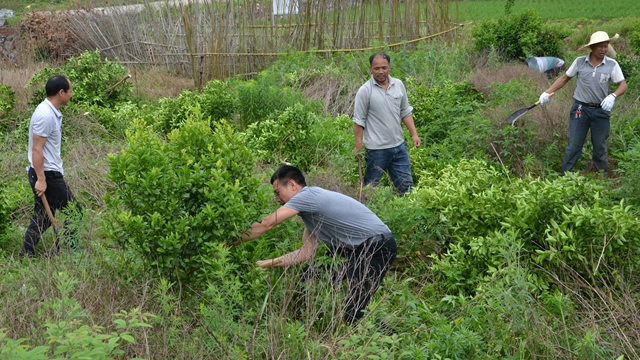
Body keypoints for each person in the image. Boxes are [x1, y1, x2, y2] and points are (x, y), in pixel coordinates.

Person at [235, 165, 397, 323]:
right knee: (308, 276)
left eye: (278, 192)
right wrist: (266, 264)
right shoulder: (312, 213)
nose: (277, 199)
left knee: (353, 313)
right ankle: (301, 321)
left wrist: (231, 242)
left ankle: (388, 338)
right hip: (355, 249)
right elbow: (305, 253)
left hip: (377, 247)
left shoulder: (307, 196)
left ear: (292, 185)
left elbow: (266, 224)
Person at [539, 31, 627, 177]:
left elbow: (623, 85)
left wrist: (613, 95)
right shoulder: (580, 62)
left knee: (599, 146)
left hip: (601, 111)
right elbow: (564, 78)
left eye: (606, 46)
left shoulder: (612, 64)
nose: (604, 50)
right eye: (600, 47)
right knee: (574, 145)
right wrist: (547, 92)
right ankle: (565, 177)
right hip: (580, 109)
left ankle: (602, 178)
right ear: (592, 47)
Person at [21, 75, 81, 257]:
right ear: (61, 92)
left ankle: (26, 255)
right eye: (70, 91)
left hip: (46, 172)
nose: (71, 95)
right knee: (75, 212)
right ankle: (73, 254)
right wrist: (41, 179)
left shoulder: (50, 111)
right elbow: (37, 149)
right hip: (47, 174)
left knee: (43, 217)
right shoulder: (46, 115)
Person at [353, 52, 421, 194]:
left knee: (406, 186)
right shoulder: (365, 91)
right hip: (376, 150)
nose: (381, 72)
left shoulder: (399, 85)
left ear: (389, 67)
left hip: (399, 147)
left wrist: (414, 134)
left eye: (384, 68)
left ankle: (405, 212)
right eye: (377, 68)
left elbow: (405, 112)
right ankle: (369, 212)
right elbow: (359, 121)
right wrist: (358, 145)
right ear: (371, 69)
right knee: (371, 188)